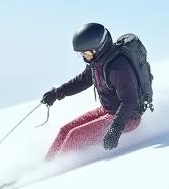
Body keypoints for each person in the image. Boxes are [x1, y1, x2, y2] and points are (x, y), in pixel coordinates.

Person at [40, 23, 146, 160]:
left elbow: (130, 100)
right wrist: (57, 93)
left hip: (127, 118)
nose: (84, 57)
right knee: (64, 131)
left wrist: (115, 130)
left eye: (87, 53)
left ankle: (56, 169)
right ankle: (46, 165)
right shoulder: (97, 62)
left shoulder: (118, 68)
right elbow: (83, 80)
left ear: (99, 47)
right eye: (82, 54)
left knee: (74, 136)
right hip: (110, 110)